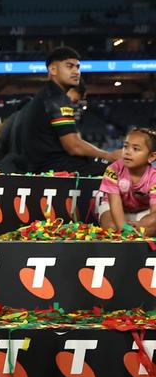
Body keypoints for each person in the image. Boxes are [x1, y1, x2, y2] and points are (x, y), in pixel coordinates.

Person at [14, 47, 116, 175]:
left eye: (77, 67)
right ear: (53, 69)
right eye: (69, 66)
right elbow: (74, 147)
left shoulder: (45, 95)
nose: (76, 71)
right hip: (54, 168)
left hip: (40, 166)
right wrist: (108, 155)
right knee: (118, 169)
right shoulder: (57, 98)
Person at [97, 127, 156, 236]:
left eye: (136, 149)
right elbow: (115, 204)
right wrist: (124, 228)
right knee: (112, 228)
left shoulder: (154, 177)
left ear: (151, 156)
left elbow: (154, 212)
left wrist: (143, 224)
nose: (127, 152)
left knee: (148, 228)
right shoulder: (113, 170)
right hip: (114, 209)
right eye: (125, 146)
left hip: (143, 212)